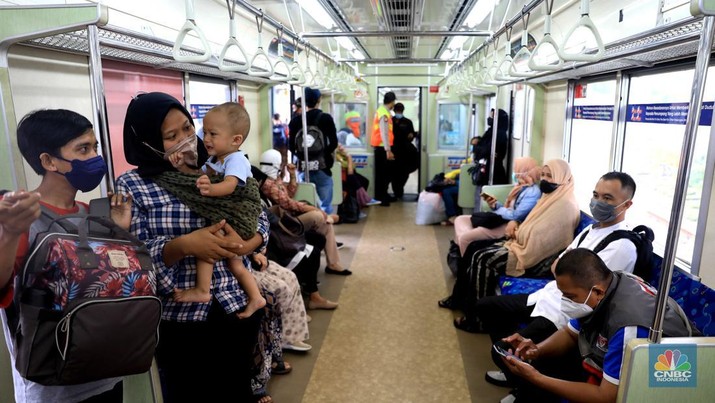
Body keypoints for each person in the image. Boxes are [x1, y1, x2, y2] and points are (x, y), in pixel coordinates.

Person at [117, 92, 268, 402]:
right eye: (172, 136)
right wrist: (185, 245)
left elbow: (256, 211)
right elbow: (136, 259)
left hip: (235, 305)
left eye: (188, 128)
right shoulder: (133, 186)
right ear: (148, 142)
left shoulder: (215, 166)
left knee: (236, 391)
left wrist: (249, 243)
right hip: (181, 320)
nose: (187, 139)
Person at [1, 109, 132, 402]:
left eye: (95, 147)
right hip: (53, 389)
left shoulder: (93, 214)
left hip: (107, 375)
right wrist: (9, 234)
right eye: (83, 149)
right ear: (48, 161)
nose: (95, 157)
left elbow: (113, 288)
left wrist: (119, 233)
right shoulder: (23, 218)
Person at [481, 172, 639, 395]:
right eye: (596, 195)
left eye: (607, 198)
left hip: (566, 311)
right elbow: (559, 266)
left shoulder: (622, 245)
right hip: (549, 294)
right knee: (487, 307)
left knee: (505, 351)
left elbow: (586, 291)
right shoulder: (591, 229)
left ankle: (522, 386)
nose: (598, 202)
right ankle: (516, 376)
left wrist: (563, 270)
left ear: (627, 204)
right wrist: (563, 271)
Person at [501, 248, 694, 403]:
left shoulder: (628, 327)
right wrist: (537, 350)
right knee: (544, 363)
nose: (564, 301)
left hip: (664, 379)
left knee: (542, 381)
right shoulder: (607, 284)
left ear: (598, 292)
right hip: (619, 366)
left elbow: (606, 396)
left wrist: (537, 378)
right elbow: (571, 333)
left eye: (569, 297)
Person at [445, 159, 580, 329]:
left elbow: (545, 239)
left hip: (536, 257)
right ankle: (464, 302)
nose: (544, 179)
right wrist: (520, 231)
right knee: (475, 250)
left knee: (483, 258)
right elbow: (531, 227)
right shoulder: (550, 197)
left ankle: (479, 320)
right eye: (543, 175)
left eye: (550, 176)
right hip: (522, 243)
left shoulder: (565, 205)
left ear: (563, 178)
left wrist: (519, 231)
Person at [162, 103, 265, 319]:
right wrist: (181, 167)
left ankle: (202, 290)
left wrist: (211, 190)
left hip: (238, 217)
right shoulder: (216, 158)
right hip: (233, 221)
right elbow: (199, 176)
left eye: (213, 134)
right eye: (205, 132)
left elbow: (230, 186)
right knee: (236, 265)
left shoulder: (236, 159)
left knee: (207, 250)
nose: (205, 139)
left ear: (236, 140)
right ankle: (256, 297)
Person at [259, 149, 350, 285]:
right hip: (284, 224)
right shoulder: (267, 184)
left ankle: (333, 263)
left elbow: (289, 193)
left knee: (326, 224)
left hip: (288, 218)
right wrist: (313, 209)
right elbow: (288, 203)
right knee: (318, 216)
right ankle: (328, 217)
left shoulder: (274, 180)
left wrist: (292, 176)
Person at [452, 157, 542, 255]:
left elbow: (515, 216)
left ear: (523, 172)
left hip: (511, 224)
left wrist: (498, 209)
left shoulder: (533, 193)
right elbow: (508, 208)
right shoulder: (519, 187)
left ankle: (464, 264)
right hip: (502, 218)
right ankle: (463, 248)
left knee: (465, 238)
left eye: (515, 170)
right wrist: (495, 204)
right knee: (460, 219)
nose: (514, 173)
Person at [288, 87, 338, 214]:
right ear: (319, 100)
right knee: (325, 204)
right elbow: (333, 143)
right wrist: (322, 155)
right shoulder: (326, 118)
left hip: (303, 168)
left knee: (306, 202)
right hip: (322, 167)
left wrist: (302, 157)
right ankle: (325, 228)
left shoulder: (295, 121)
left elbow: (291, 146)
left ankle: (310, 227)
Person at [471, 109, 509, 209]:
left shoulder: (499, 134)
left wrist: (478, 147)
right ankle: (477, 217)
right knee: (479, 195)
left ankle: (479, 217)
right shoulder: (491, 131)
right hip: (486, 169)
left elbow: (487, 151)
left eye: (492, 117)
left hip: (493, 172)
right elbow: (484, 148)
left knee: (484, 198)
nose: (489, 119)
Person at [372, 91, 396, 206]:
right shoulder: (384, 113)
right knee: (383, 175)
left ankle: (383, 195)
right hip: (382, 148)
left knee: (384, 174)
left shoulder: (383, 111)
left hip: (382, 147)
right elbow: (384, 132)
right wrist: (388, 150)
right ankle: (381, 197)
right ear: (392, 102)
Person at [391, 102, 416, 200]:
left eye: (400, 111)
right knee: (394, 173)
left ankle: (399, 189)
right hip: (393, 151)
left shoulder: (408, 122)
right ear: (394, 111)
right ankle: (397, 191)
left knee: (404, 173)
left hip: (405, 152)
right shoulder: (390, 121)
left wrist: (411, 136)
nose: (399, 112)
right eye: (397, 111)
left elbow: (412, 134)